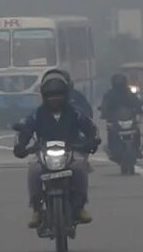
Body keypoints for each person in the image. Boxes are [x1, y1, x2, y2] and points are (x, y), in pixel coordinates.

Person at [14, 72, 99, 228]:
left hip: (71, 151)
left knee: (80, 168)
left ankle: (80, 207)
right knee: (34, 170)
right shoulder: (37, 114)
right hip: (43, 153)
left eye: (59, 96)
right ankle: (36, 209)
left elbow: (91, 128)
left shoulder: (74, 113)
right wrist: (21, 146)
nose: (55, 99)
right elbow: (25, 130)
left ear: (65, 95)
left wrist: (91, 142)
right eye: (50, 96)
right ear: (44, 96)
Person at [99, 71, 143, 161]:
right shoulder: (110, 94)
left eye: (121, 82)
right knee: (111, 131)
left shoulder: (129, 93)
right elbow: (105, 105)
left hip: (129, 119)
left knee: (136, 130)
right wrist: (104, 112)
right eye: (118, 82)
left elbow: (137, 102)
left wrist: (140, 109)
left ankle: (137, 149)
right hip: (115, 120)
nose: (119, 84)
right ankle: (112, 149)